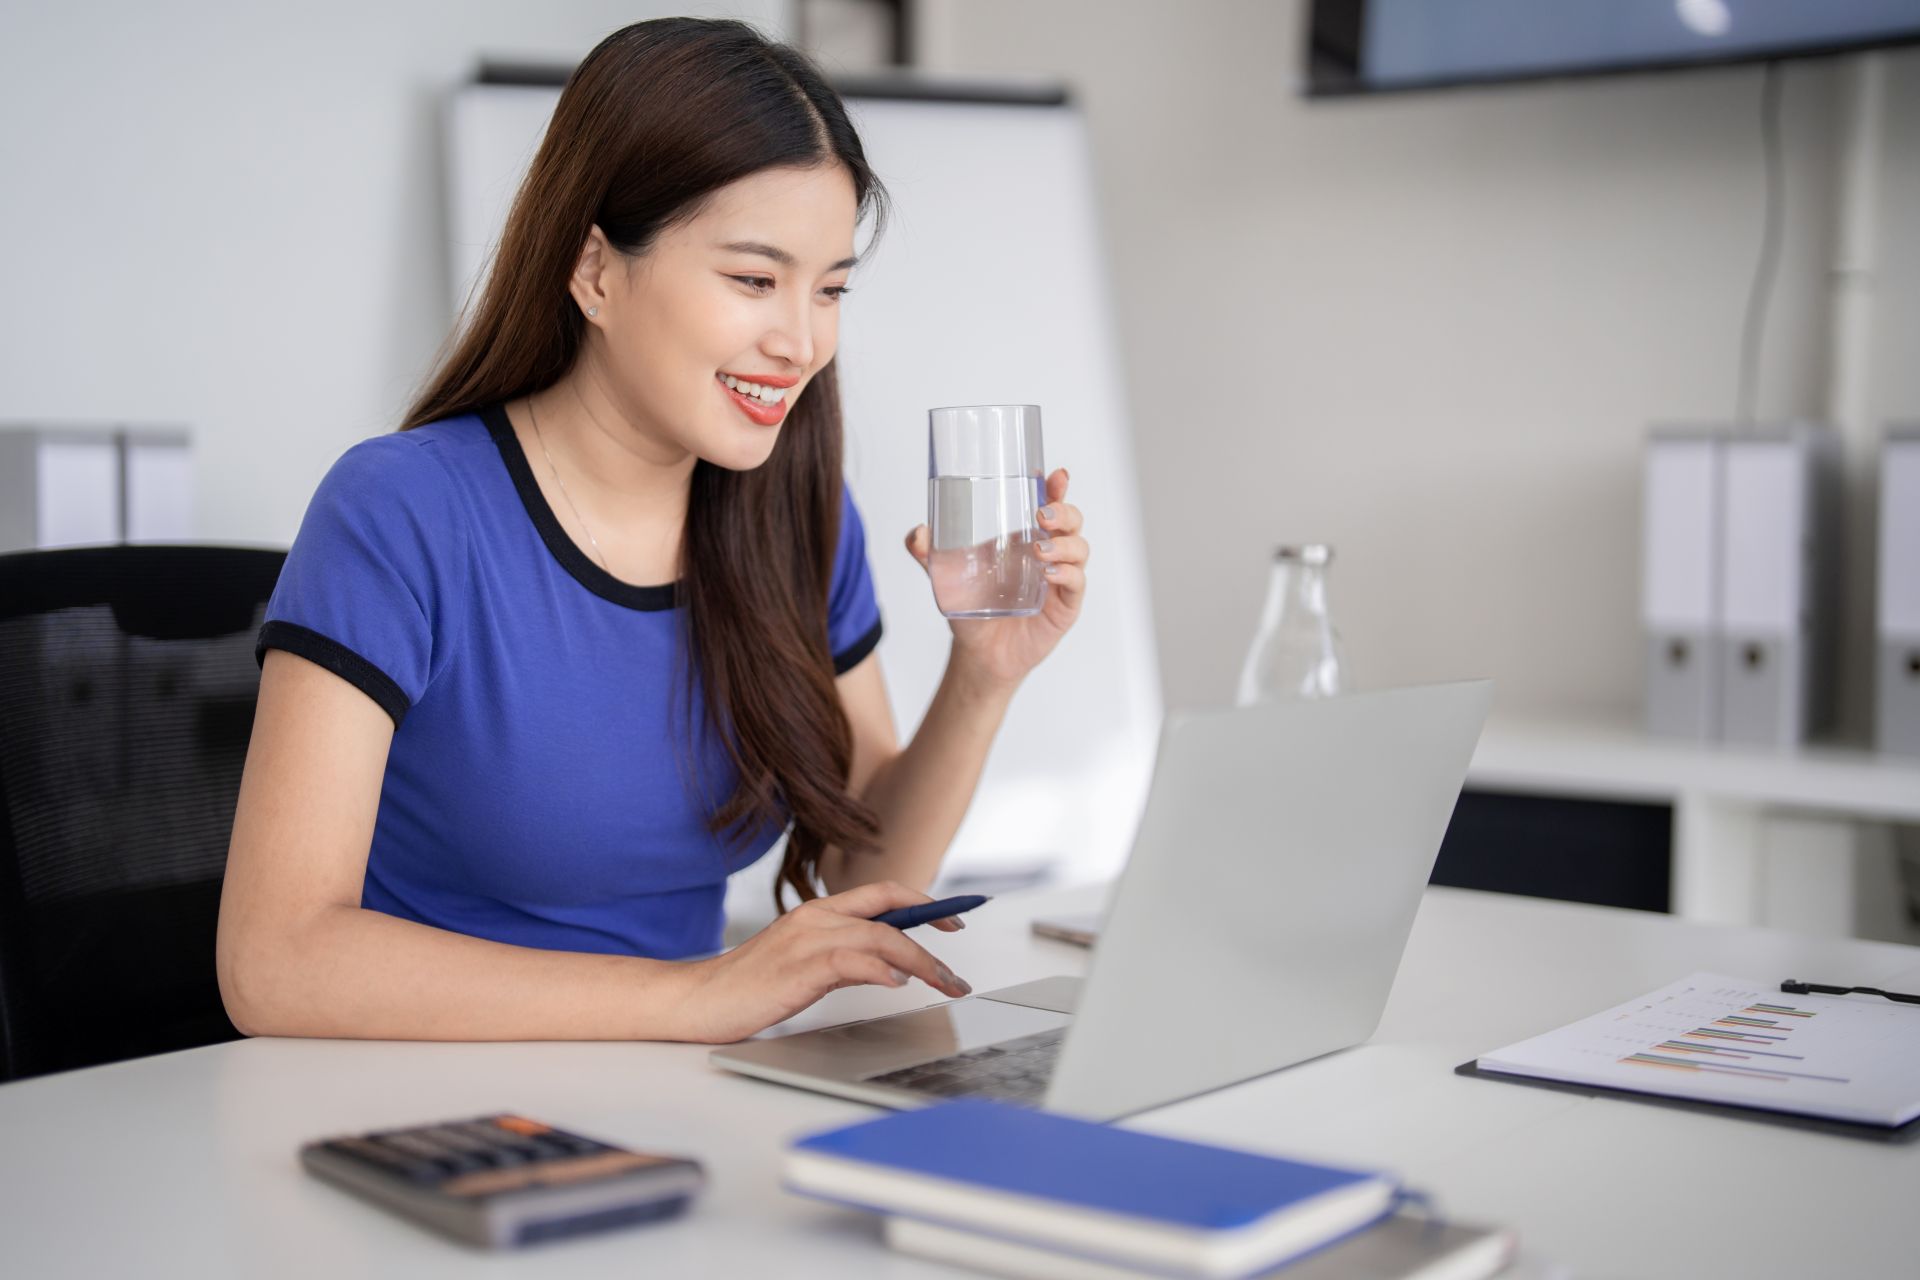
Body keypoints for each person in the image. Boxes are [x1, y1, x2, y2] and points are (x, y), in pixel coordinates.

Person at [215, 18, 1090, 1046]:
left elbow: (868, 873)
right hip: (425, 1104)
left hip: (670, 1086)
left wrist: (983, 673)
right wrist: (695, 996)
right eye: (754, 280)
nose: (801, 341)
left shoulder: (796, 516)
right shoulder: (401, 513)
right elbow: (275, 960)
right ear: (595, 271)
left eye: (831, 289)